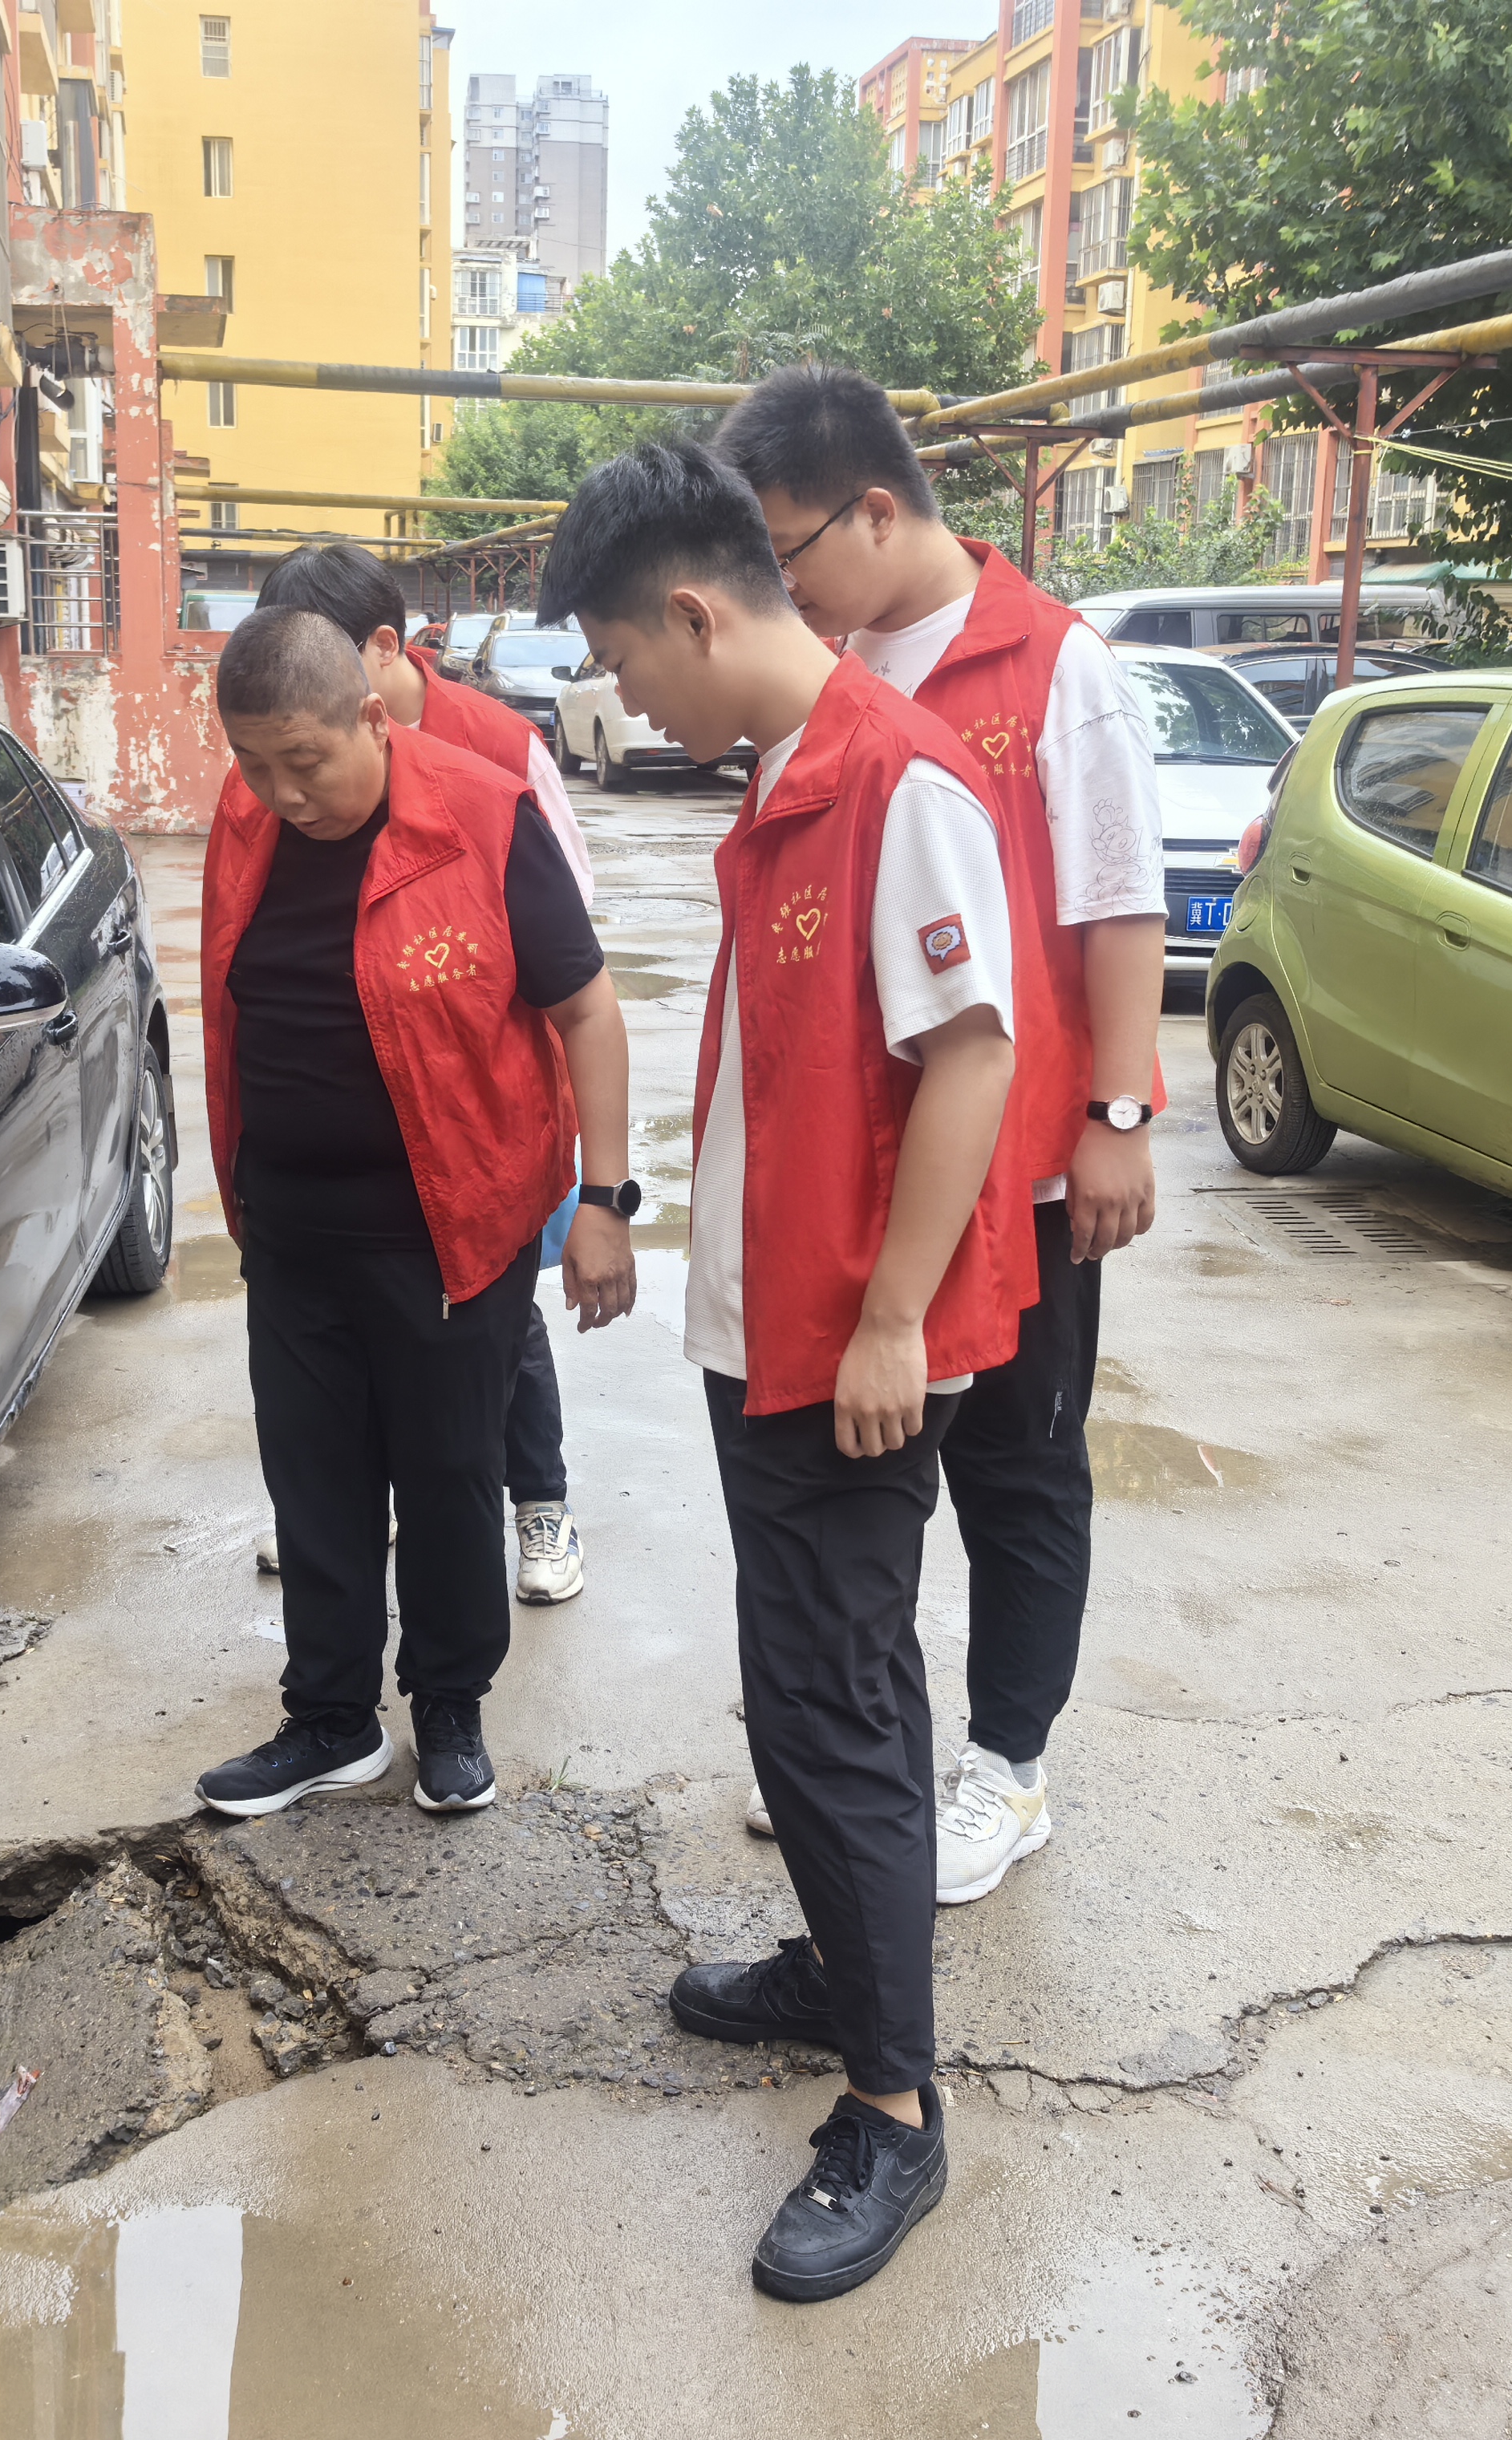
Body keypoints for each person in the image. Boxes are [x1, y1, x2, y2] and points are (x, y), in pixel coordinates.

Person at [537, 442, 1032, 2303]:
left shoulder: (899, 782)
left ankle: (893, 2112)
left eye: (623, 662)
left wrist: (893, 1317)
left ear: (690, 612)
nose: (628, 701)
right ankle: (842, 1965)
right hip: (777, 1336)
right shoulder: (786, 776)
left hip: (849, 1353)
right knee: (817, 1686)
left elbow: (972, 1053)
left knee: (831, 1703)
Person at [714, 366, 1167, 1907]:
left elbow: (1118, 900)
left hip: (1025, 1164)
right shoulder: (823, 671)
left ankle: (1009, 1767)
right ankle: (868, 1756)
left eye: (787, 552)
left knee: (1022, 1476)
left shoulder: (1050, 663)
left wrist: (1117, 1114)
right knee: (873, 1483)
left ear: (875, 510)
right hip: (877, 1169)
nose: (779, 587)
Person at [194, 609, 638, 1820]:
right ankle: (331, 1720)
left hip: (452, 1232)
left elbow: (588, 1011)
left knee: (448, 1478)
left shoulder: (484, 816)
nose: (281, 795)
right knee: (314, 1483)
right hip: (293, 1231)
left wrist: (604, 1201)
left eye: (305, 762)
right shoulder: (248, 820)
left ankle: (449, 1705)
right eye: (254, 765)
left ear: (370, 718)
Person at [250, 541, 598, 1610]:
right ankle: (381, 1503)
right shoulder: (278, 793)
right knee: (400, 1398)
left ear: (379, 655)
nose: (285, 789)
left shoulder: (498, 754)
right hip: (334, 1212)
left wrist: (593, 1178)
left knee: (498, 1333)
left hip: (487, 1120)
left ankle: (539, 1503)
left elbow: (571, 961)